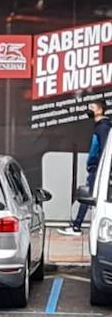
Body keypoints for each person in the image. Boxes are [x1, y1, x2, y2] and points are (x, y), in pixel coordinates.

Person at [62, 100, 110, 235]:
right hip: (96, 168)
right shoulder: (100, 126)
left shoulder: (103, 128)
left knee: (87, 196)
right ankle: (77, 224)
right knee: (89, 195)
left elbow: (104, 148)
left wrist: (99, 166)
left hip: (98, 169)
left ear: (100, 110)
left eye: (92, 108)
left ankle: (76, 226)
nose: (89, 110)